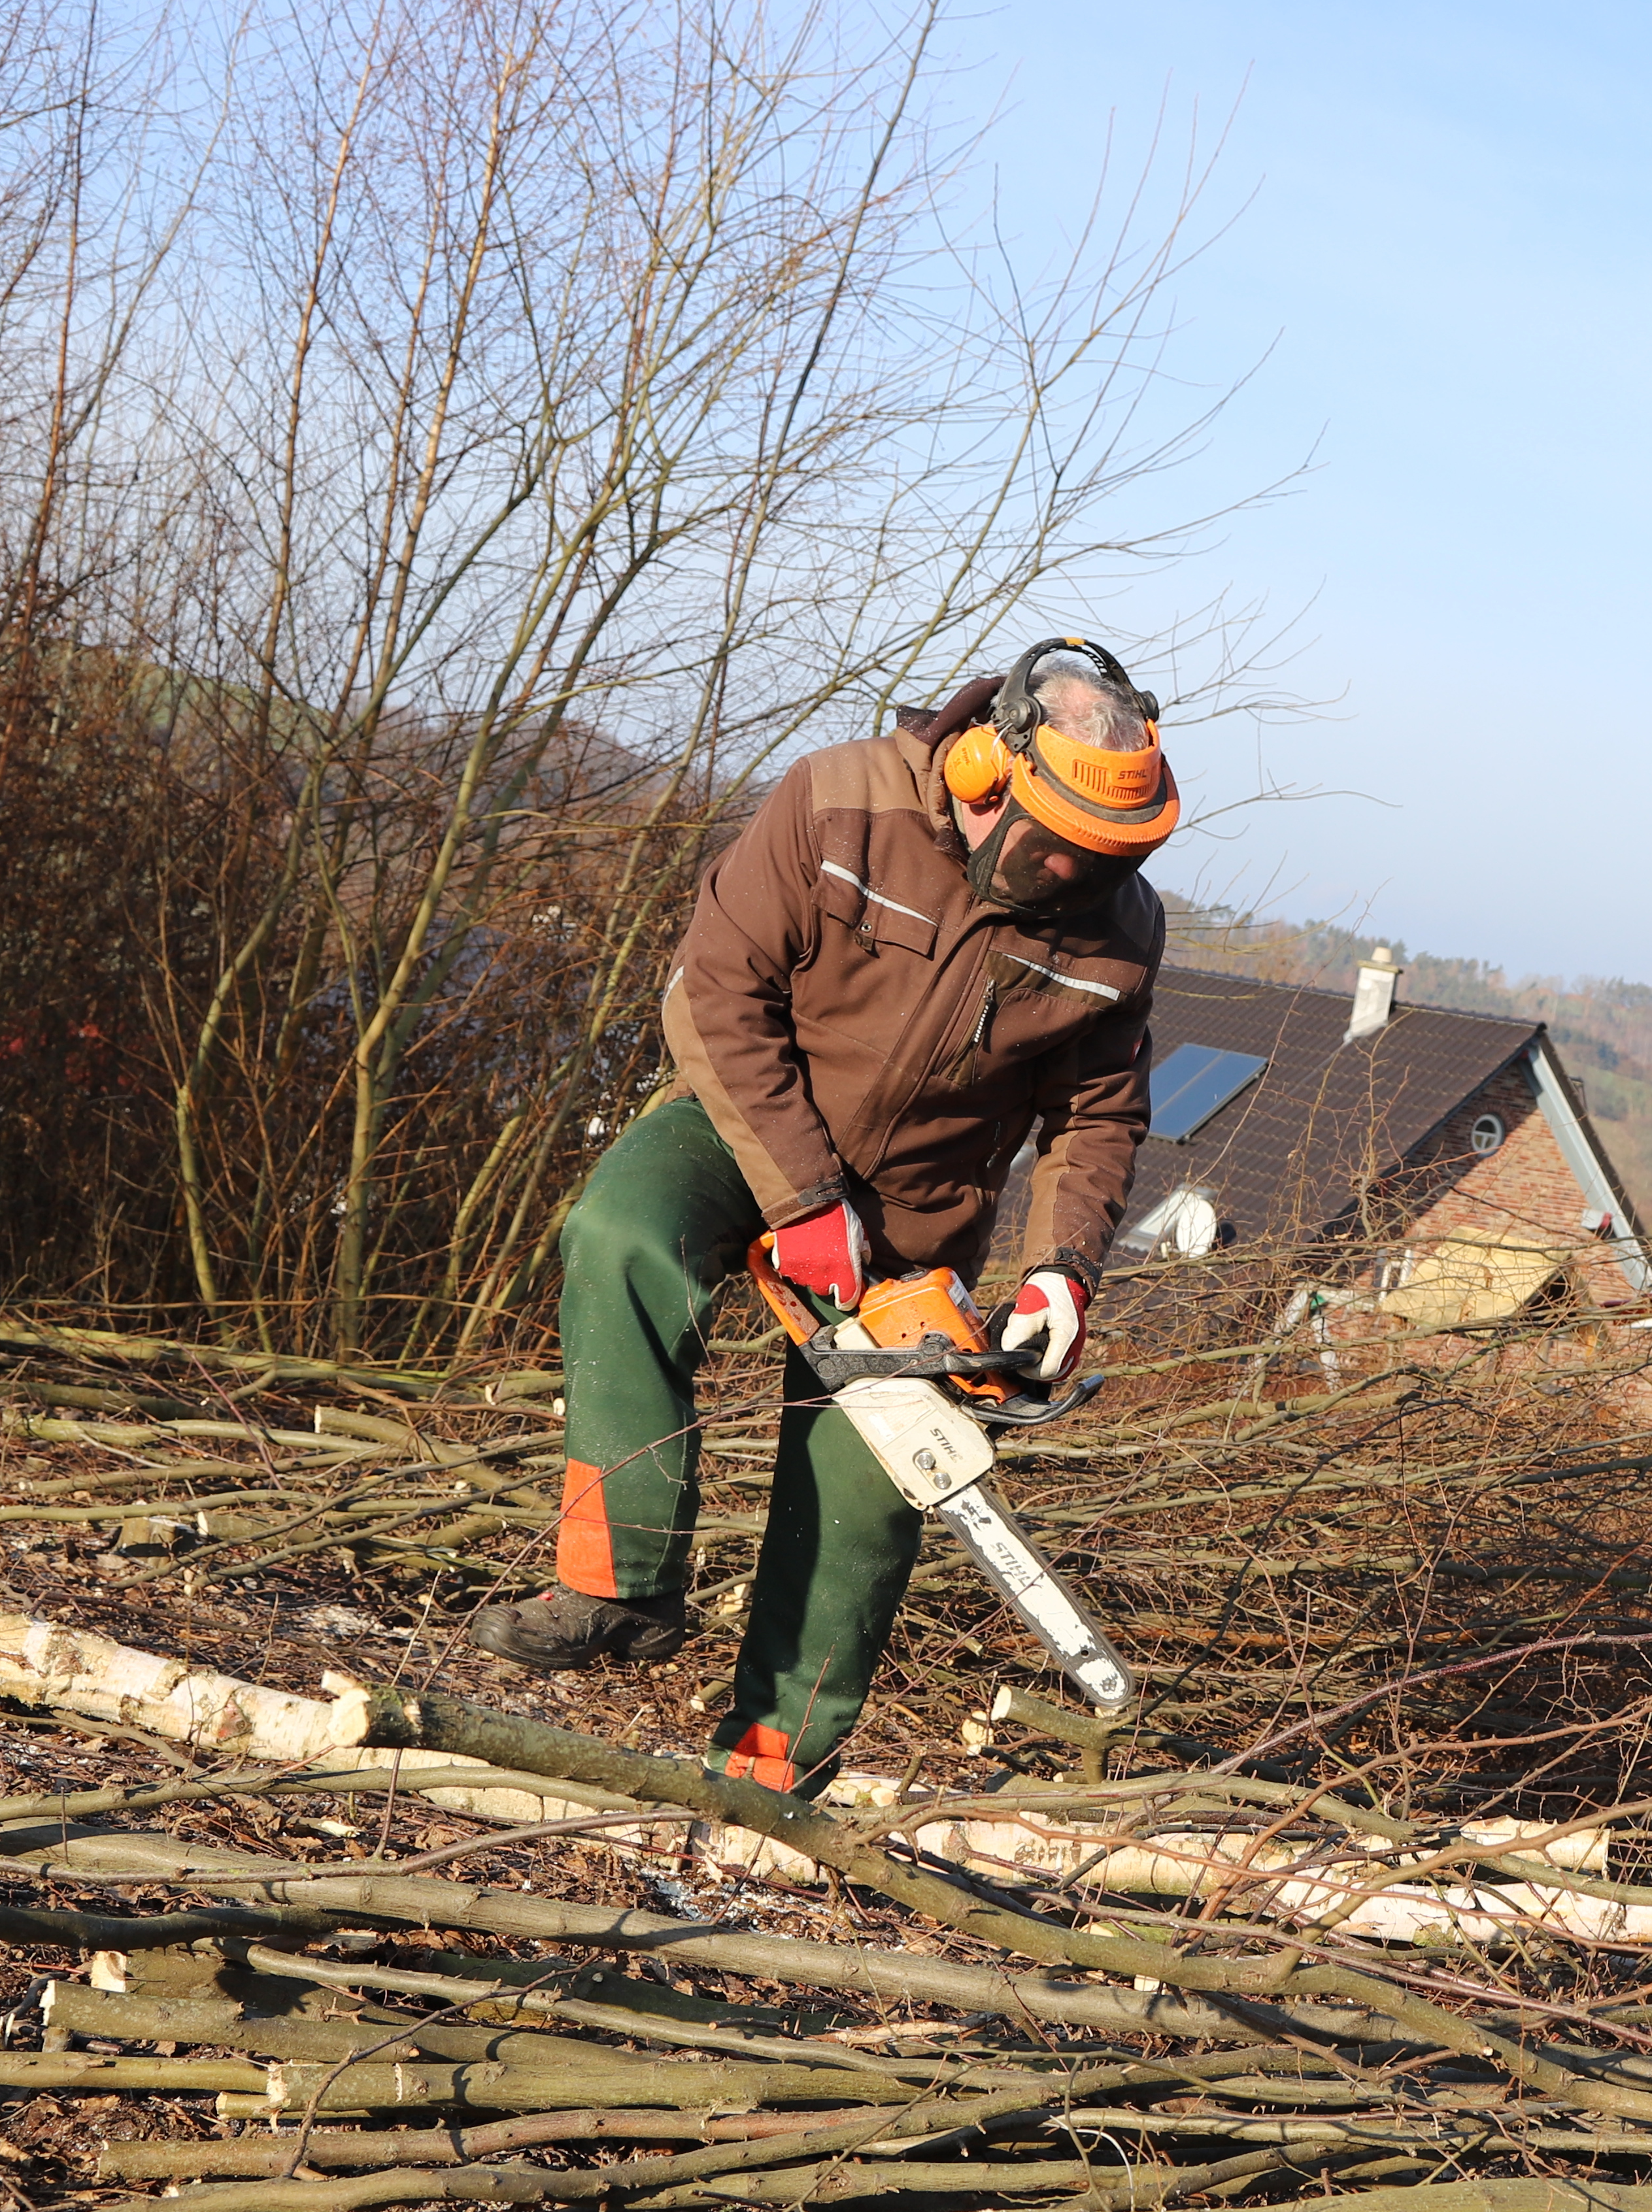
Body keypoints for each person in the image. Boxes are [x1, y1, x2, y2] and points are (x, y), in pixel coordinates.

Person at [465, 639, 1177, 1796]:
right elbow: (715, 990)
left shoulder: (1119, 933)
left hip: (916, 1212)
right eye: (1054, 847)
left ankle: (769, 1771)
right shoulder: (839, 802)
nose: (1069, 880)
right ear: (989, 772)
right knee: (622, 1236)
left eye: (1106, 861)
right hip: (743, 1120)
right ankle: (618, 1584)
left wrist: (1062, 1273)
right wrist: (801, 1192)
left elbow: (1097, 1121)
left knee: (867, 1489)